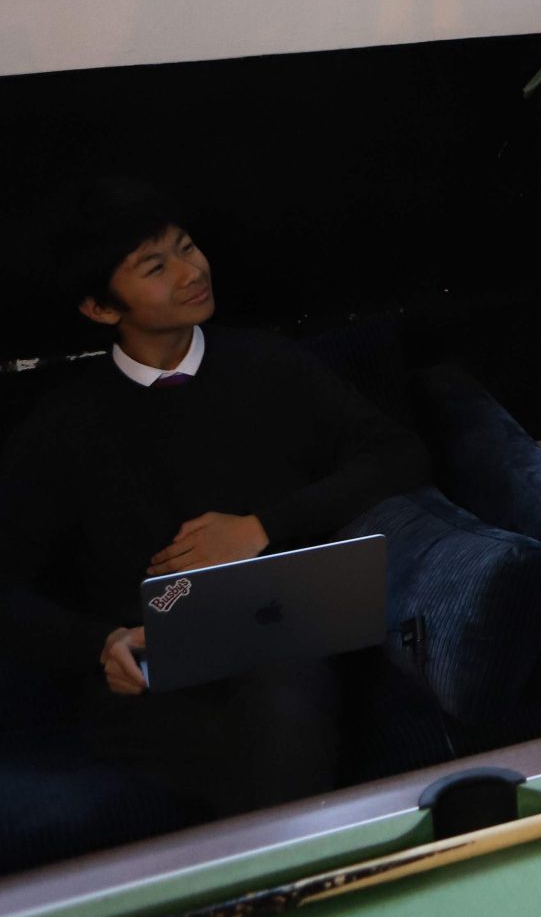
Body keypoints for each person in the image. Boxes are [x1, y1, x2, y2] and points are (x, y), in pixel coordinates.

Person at [0, 179, 429, 816]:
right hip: (152, 677)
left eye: (187, 247)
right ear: (100, 308)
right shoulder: (62, 426)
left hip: (282, 643)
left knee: (284, 697)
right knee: (246, 742)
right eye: (155, 266)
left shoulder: (269, 365)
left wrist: (261, 526)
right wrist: (99, 642)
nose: (191, 271)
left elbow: (399, 453)